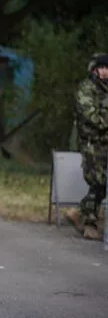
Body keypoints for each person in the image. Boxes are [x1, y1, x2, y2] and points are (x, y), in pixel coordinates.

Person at [66, 53, 108, 240]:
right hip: (92, 144)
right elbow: (92, 117)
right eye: (102, 68)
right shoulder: (86, 89)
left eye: (107, 68)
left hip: (105, 143)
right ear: (95, 69)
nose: (105, 72)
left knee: (101, 184)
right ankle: (88, 222)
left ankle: (80, 214)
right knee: (98, 183)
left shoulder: (105, 90)